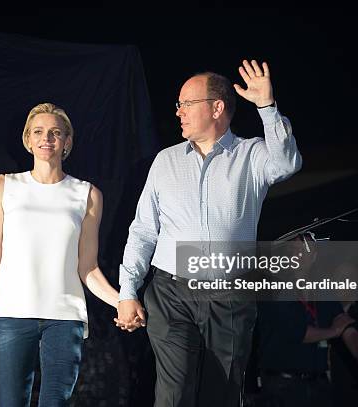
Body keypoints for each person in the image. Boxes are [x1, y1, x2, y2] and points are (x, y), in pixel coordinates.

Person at [115, 60, 303, 406]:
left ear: (217, 107)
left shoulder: (252, 154)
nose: (178, 112)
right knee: (174, 393)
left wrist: (267, 108)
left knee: (223, 392)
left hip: (229, 292)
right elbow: (143, 230)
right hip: (171, 291)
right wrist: (128, 291)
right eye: (178, 105)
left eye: (186, 104)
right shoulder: (165, 161)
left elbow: (287, 163)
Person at [0, 103, 121, 407]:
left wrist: (121, 301)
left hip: (65, 317)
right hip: (13, 313)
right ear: (28, 140)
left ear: (67, 142)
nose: (46, 138)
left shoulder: (87, 194)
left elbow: (88, 267)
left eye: (55, 133)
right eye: (38, 132)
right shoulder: (2, 186)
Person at [257, 234, 358, 407]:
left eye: (304, 250)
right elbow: (297, 332)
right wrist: (333, 331)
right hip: (283, 387)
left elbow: (348, 329)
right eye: (293, 249)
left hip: (318, 385)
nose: (297, 255)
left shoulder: (322, 289)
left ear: (314, 255)